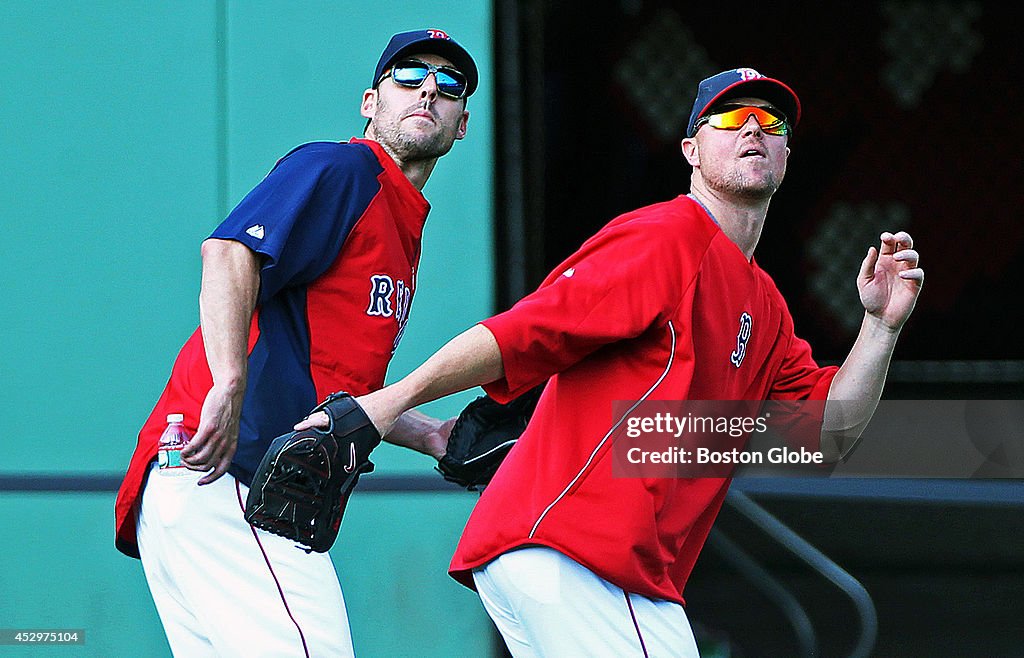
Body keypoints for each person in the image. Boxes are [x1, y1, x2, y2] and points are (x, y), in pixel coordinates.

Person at [298, 67, 924, 656]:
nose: (754, 128)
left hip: (607, 574)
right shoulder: (668, 237)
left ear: (788, 155)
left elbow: (828, 435)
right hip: (575, 551)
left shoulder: (766, 308)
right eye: (729, 120)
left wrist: (879, 326)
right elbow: (523, 331)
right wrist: (387, 406)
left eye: (771, 121)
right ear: (691, 152)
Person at [113, 29, 479, 657]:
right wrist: (228, 380)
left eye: (447, 84)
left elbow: (332, 378)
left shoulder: (400, 222)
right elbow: (228, 253)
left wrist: (428, 434)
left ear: (461, 124)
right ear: (370, 101)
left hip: (203, 492)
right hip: (233, 474)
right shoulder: (345, 169)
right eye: (408, 76)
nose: (427, 89)